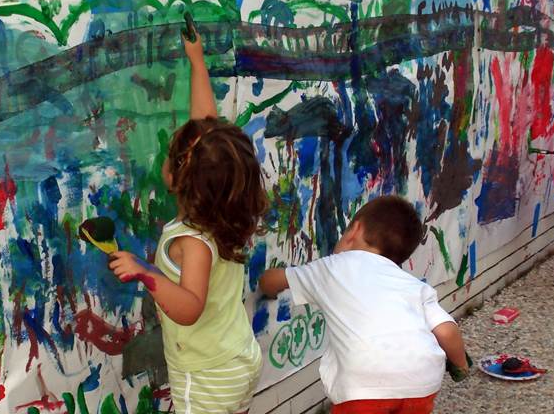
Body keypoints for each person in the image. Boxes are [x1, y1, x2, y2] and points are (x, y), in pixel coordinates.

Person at [108, 27, 268, 414]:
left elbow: (190, 306)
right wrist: (196, 61)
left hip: (208, 373)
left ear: (181, 178)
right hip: (235, 358)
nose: (165, 155)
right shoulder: (222, 212)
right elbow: (206, 127)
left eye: (170, 153)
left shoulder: (193, 242)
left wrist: (146, 272)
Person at [259, 195, 468, 414]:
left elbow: (273, 281)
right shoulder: (412, 284)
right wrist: (461, 366)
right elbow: (446, 331)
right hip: (422, 382)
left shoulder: (332, 267)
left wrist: (265, 286)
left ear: (354, 231)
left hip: (365, 385)